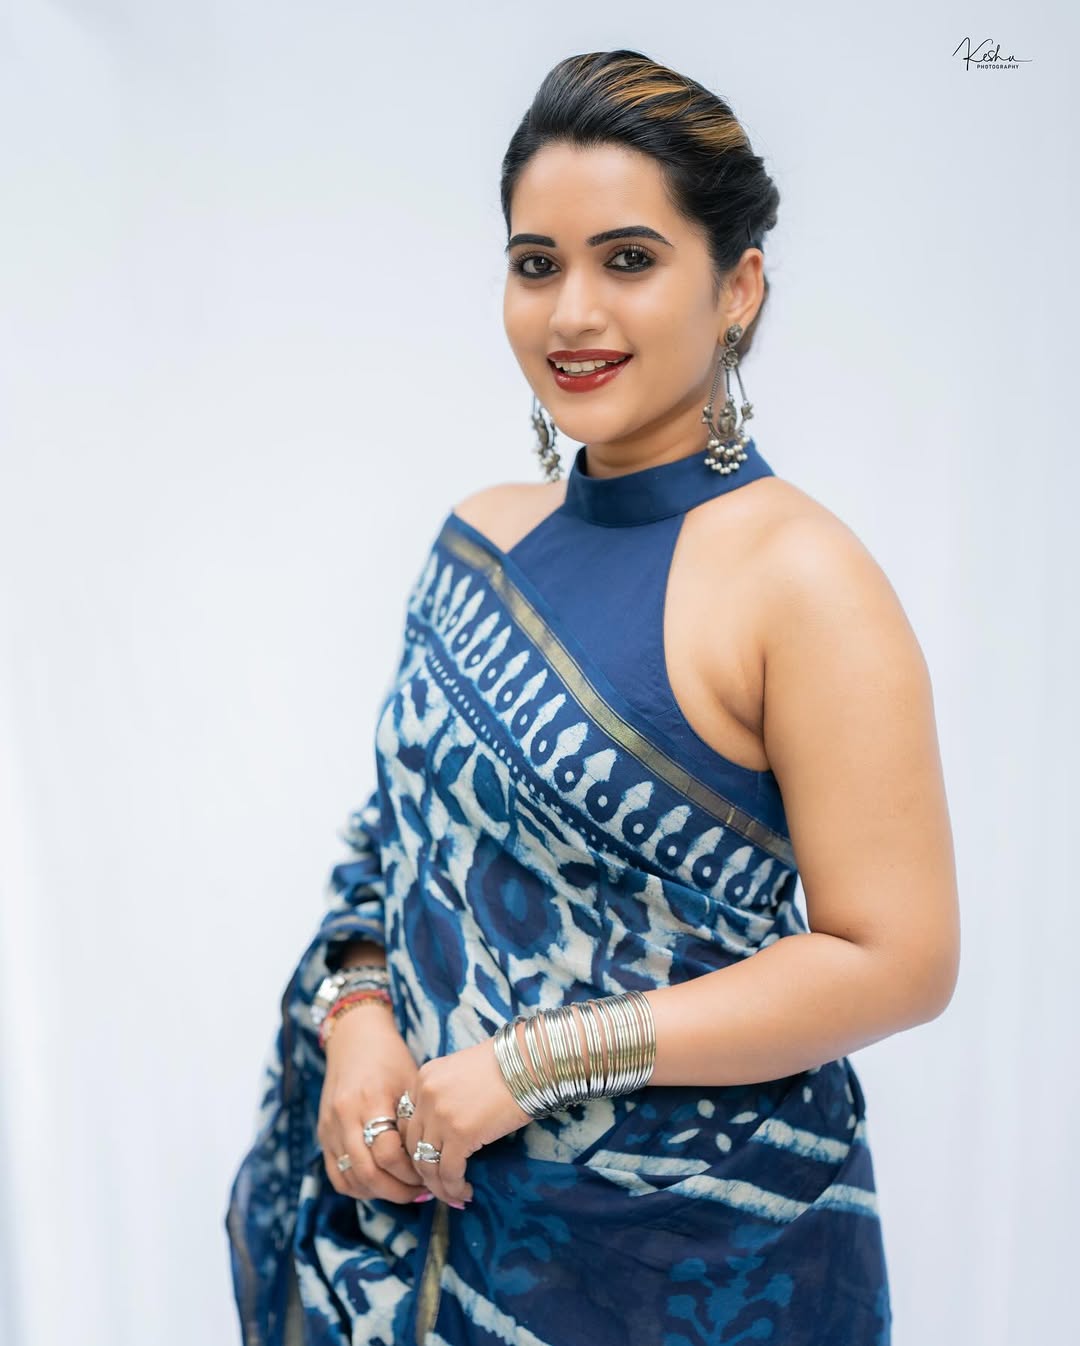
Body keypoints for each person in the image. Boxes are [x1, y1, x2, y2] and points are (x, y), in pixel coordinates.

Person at [224, 48, 959, 1346]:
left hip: (688, 1265)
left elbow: (896, 958)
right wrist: (358, 1017)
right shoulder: (478, 537)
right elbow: (387, 842)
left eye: (628, 259)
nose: (572, 312)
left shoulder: (805, 582)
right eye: (535, 263)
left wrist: (531, 1065)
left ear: (737, 288)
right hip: (425, 1237)